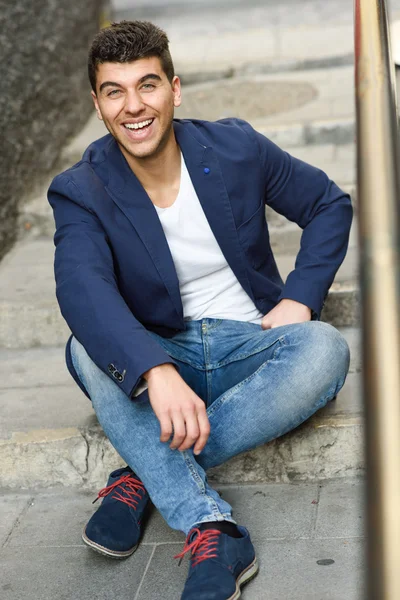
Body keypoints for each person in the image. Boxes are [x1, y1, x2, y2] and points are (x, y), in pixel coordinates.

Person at [48, 20, 352, 600]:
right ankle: (210, 524)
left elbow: (328, 204)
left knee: (326, 348)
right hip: (165, 355)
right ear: (97, 103)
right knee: (87, 345)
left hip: (251, 342)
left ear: (175, 88)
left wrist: (300, 297)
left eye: (148, 85)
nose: (134, 106)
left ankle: (146, 471)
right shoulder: (80, 188)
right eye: (115, 91)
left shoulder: (236, 147)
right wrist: (156, 372)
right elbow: (82, 288)